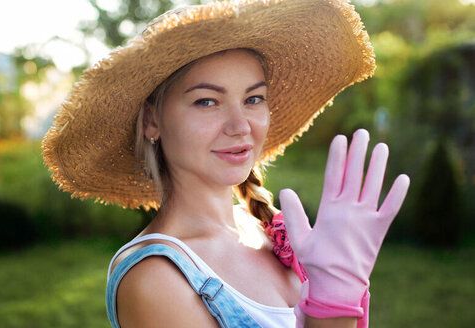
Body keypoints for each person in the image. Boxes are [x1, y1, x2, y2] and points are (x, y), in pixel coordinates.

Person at [42, 0, 410, 327]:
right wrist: (333, 303)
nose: (240, 126)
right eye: (207, 101)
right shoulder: (155, 279)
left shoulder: (264, 229)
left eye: (253, 99)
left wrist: (343, 288)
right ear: (152, 121)